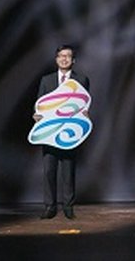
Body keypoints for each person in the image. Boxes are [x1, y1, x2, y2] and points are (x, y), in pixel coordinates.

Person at [33, 44, 90, 219]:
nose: (64, 59)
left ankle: (68, 207)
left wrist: (85, 115)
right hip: (50, 133)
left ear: (73, 60)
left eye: (68, 56)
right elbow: (39, 104)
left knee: (68, 171)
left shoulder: (81, 80)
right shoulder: (46, 80)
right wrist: (37, 115)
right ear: (56, 59)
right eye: (61, 56)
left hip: (70, 133)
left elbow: (84, 104)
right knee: (49, 171)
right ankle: (50, 207)